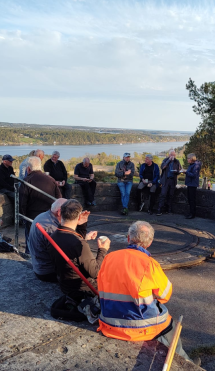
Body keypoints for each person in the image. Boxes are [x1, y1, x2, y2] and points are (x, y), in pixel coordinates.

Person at [97, 221, 190, 360]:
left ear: (128, 238)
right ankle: (185, 360)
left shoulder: (109, 258)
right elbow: (165, 295)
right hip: (138, 328)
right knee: (172, 329)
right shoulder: (150, 264)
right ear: (150, 242)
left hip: (108, 322)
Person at [49, 200, 110, 302]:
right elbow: (95, 272)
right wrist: (103, 250)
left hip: (65, 285)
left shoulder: (53, 236)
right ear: (80, 216)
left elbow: (70, 247)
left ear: (60, 213)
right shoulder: (79, 244)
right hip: (83, 290)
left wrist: (83, 232)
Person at [19, 156, 62, 251]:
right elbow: (59, 198)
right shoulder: (50, 179)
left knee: (31, 240)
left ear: (28, 168)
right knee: (48, 240)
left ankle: (30, 256)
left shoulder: (26, 181)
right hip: (49, 216)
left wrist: (23, 216)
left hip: (32, 217)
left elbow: (22, 202)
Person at [27, 198, 69, 282]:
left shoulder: (43, 215)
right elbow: (66, 255)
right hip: (48, 272)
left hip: (39, 266)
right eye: (70, 211)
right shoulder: (52, 228)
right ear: (59, 212)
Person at [156, 150, 182, 216]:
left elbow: (180, 170)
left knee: (171, 195)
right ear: (169, 155)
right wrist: (168, 161)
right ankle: (159, 210)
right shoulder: (165, 160)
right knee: (163, 195)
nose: (173, 156)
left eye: (174, 155)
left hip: (173, 180)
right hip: (166, 180)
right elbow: (162, 167)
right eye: (171, 155)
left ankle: (169, 209)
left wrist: (177, 171)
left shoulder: (177, 161)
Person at [183, 153, 202, 219]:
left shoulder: (196, 165)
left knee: (192, 199)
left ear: (192, 159)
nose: (187, 160)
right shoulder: (192, 165)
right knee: (190, 199)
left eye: (188, 158)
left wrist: (186, 172)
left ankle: (192, 214)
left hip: (192, 184)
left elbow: (194, 175)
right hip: (190, 183)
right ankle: (190, 212)